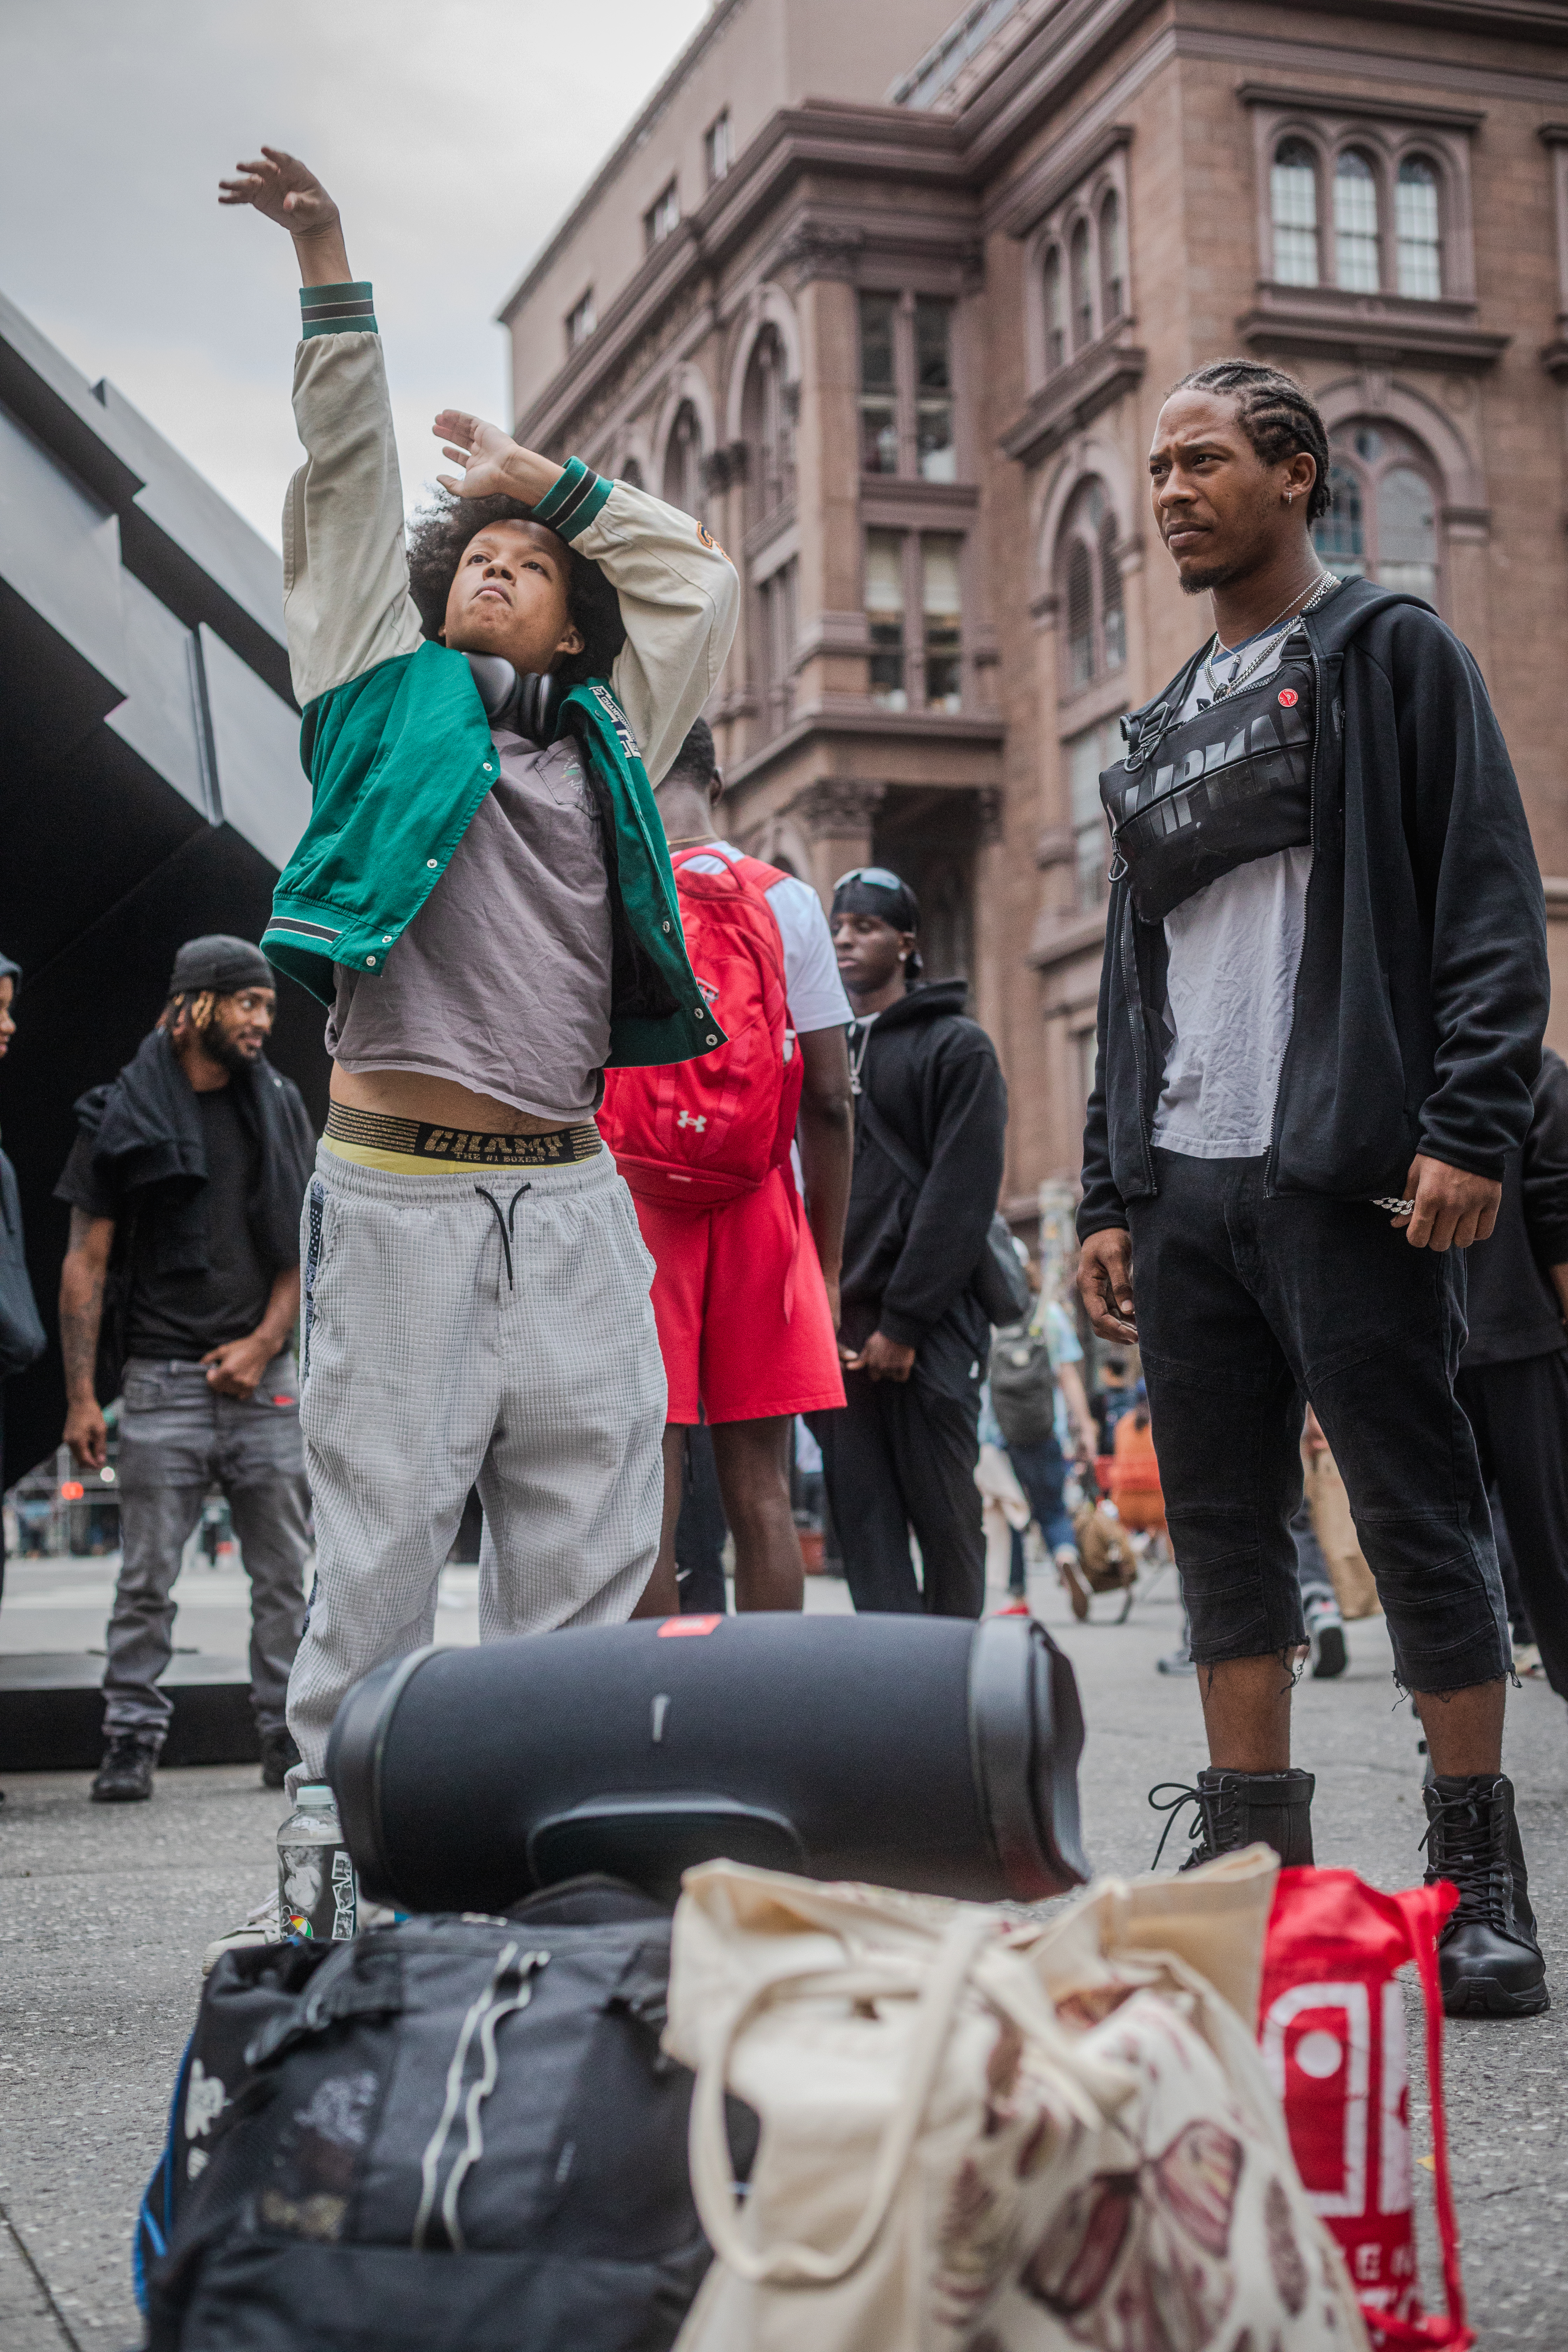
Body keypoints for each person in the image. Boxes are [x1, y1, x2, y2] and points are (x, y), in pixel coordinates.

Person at [221, 150, 737, 1783]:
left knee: (589, 1540)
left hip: (574, 1200)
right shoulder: (379, 698)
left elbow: (697, 580)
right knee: (378, 1549)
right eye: (474, 562)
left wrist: (548, 483)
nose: (489, 571)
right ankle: (340, 1859)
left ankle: (551, 1849)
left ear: (576, 631)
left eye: (527, 569)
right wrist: (327, 259)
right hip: (397, 1198)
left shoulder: (612, 742)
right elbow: (353, 488)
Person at [1077, 359, 1550, 2017]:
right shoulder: (1156, 729)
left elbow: (1490, 898)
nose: (1174, 491)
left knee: (1418, 1516)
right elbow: (1136, 981)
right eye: (1160, 469)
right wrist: (1102, 1199)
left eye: (1205, 459)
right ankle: (1251, 1886)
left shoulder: (1392, 655)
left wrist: (1473, 1125)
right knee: (1220, 1538)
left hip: (1348, 1173)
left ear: (1298, 473)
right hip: (1188, 1185)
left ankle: (1478, 1877)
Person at [601, 719, 852, 1612]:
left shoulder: (611, 891)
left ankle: (658, 1709)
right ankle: (768, 1720)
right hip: (760, 1202)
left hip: (634, 1203)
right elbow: (827, 1098)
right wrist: (820, 1262)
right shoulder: (787, 901)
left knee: (647, 1481)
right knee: (762, 1489)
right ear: (718, 780)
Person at [56, 938, 315, 1802]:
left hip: (264, 1383)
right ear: (196, 1005)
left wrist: (262, 1345)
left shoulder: (279, 1106)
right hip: (160, 1382)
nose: (260, 1021)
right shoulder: (120, 1114)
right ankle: (130, 1740)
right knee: (146, 1580)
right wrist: (84, 1397)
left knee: (283, 1575)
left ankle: (286, 1736)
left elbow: (301, 1253)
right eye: (245, 1003)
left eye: (268, 1007)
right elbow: (85, 1263)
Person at [809, 870, 1007, 1617]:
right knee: (862, 1525)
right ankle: (894, 1693)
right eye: (838, 927)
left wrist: (904, 1323)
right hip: (837, 1327)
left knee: (946, 1514)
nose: (844, 940)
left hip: (930, 1326)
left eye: (864, 926)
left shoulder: (958, 1049)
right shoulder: (820, 1050)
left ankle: (953, 1684)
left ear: (906, 943)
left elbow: (961, 1195)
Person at [1455, 1046, 1568, 1704]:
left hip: (1424, 1347)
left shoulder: (1400, 1070)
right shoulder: (1538, 1074)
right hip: (1523, 1333)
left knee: (1444, 1548)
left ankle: (1452, 1738)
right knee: (1553, 1548)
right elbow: (1557, 1210)